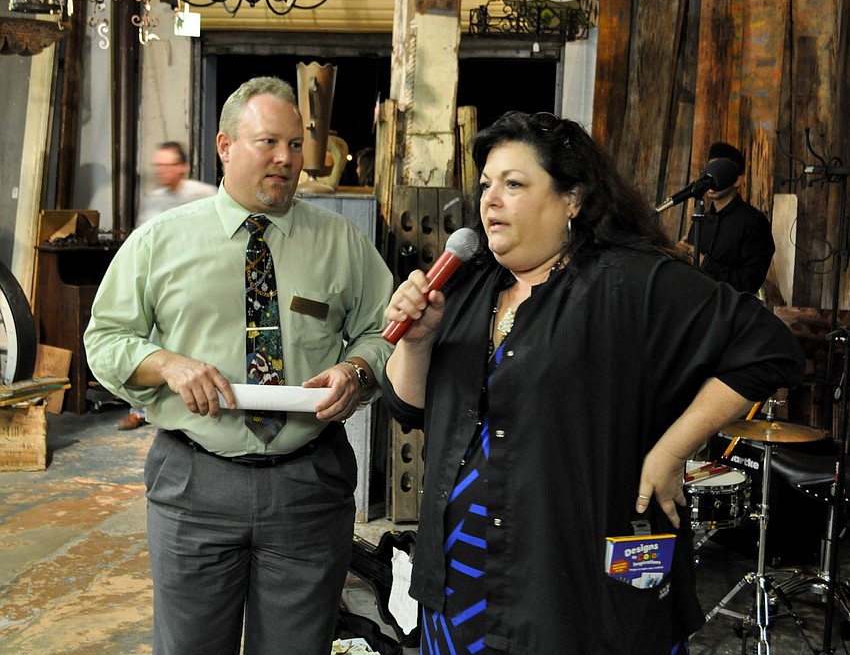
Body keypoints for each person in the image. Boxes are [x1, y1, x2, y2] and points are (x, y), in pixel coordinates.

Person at [381, 111, 804, 654]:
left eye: (514, 184)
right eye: (486, 184)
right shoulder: (469, 286)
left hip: (572, 590)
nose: (489, 199)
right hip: (460, 584)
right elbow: (406, 406)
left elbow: (767, 348)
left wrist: (673, 450)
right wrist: (416, 342)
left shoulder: (630, 281)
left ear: (572, 198)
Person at [84, 76, 394, 655]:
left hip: (309, 483)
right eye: (267, 142)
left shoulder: (342, 245)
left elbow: (385, 332)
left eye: (296, 145)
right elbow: (105, 340)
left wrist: (356, 370)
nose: (286, 158)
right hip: (195, 483)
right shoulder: (160, 243)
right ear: (225, 146)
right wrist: (165, 364)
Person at [118, 141, 219, 431]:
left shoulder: (204, 195)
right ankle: (139, 408)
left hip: (196, 278)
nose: (162, 171)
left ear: (182, 167)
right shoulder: (154, 198)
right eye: (158, 165)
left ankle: (196, 400)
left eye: (168, 165)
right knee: (144, 340)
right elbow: (141, 239)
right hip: (160, 279)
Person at [677, 141, 775, 295]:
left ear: (737, 180)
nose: (711, 178)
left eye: (719, 172)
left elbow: (749, 282)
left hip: (730, 315)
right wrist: (680, 254)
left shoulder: (754, 222)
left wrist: (704, 262)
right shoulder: (701, 220)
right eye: (709, 171)